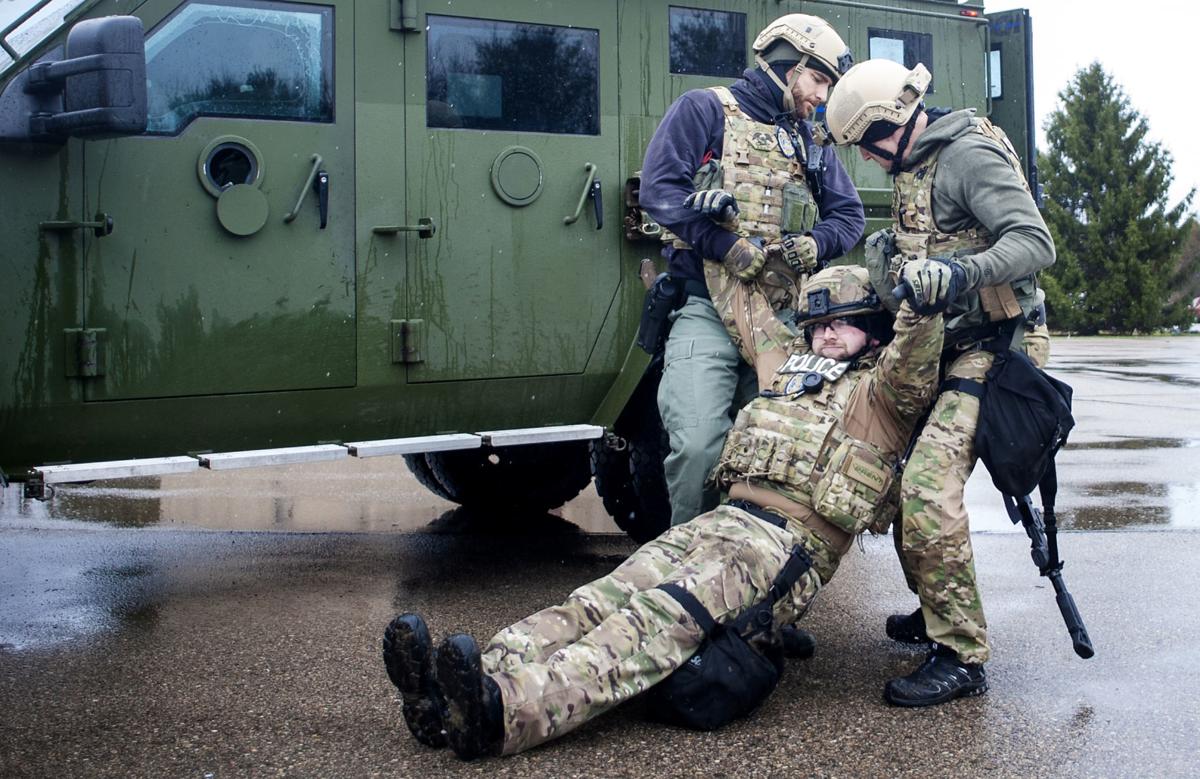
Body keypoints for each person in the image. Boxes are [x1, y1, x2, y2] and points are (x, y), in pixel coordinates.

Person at [382, 264, 946, 760]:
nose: (825, 333)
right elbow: (741, 305)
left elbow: (917, 351)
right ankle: (462, 684)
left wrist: (922, 297)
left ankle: (503, 713)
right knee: (600, 598)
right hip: (721, 522)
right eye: (818, 323)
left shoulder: (884, 398)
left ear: (873, 332)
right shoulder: (789, 371)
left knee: (654, 619)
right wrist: (717, 236)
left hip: (782, 548)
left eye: (841, 323)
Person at [822, 58, 1057, 706]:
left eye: (868, 144)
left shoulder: (966, 157)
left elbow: (1037, 243)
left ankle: (961, 653)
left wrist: (961, 273)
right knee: (896, 482)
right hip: (944, 345)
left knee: (927, 483)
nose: (867, 160)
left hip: (996, 347)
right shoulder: (911, 168)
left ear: (892, 123)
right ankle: (936, 609)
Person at [639, 13, 865, 529]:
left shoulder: (807, 140)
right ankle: (685, 568)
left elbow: (848, 215)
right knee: (698, 447)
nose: (823, 96)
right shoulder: (704, 109)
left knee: (777, 455)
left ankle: (746, 571)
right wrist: (721, 242)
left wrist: (814, 243)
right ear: (792, 65)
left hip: (782, 318)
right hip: (707, 309)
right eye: (820, 80)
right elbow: (659, 191)